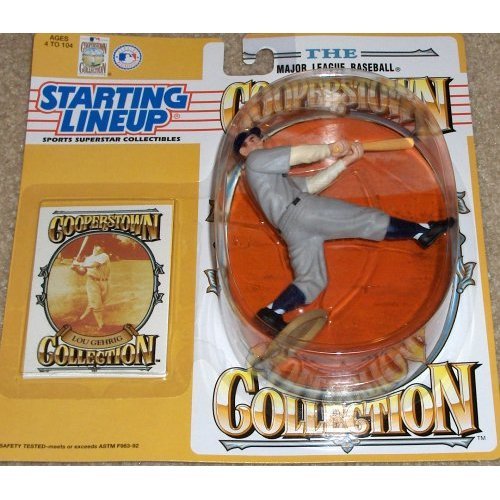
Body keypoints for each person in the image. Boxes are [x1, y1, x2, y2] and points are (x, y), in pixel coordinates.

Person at [234, 127, 454, 334]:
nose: (257, 142)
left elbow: (312, 185)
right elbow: (298, 154)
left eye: (256, 138)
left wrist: (345, 161)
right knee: (364, 219)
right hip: (302, 212)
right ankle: (421, 231)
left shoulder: (272, 176)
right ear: (244, 152)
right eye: (250, 141)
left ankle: (272, 312)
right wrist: (330, 149)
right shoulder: (255, 159)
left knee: (312, 280)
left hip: (292, 229)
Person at [71, 244, 111, 330]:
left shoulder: (104, 256)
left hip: (104, 283)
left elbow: (94, 265)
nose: (99, 249)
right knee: (96, 304)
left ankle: (81, 319)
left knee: (93, 304)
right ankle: (101, 325)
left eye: (101, 247)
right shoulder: (88, 259)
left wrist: (78, 263)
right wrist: (75, 268)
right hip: (92, 282)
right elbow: (83, 272)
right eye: (97, 246)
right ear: (94, 247)